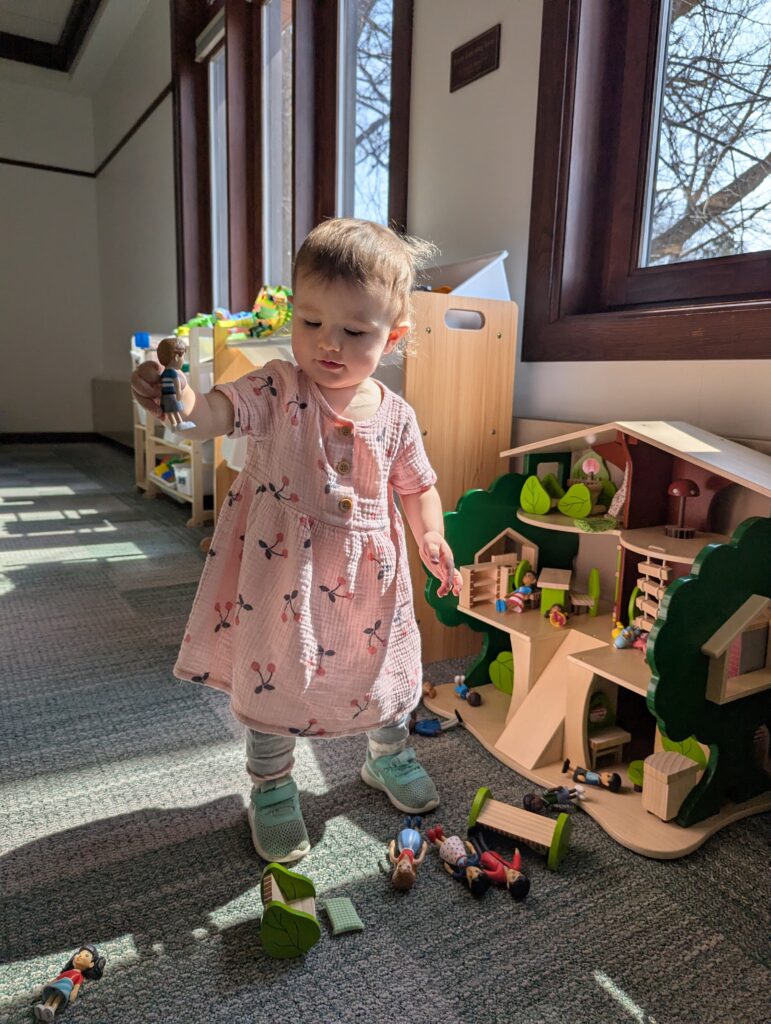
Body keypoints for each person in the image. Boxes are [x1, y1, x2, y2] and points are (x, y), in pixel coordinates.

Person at [131, 218, 462, 864]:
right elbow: (213, 415)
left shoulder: (398, 416)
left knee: (384, 670)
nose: (328, 343)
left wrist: (431, 535)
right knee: (275, 678)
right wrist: (180, 399)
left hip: (370, 588)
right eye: (311, 322)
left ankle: (387, 755)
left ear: (392, 338)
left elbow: (418, 485)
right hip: (282, 578)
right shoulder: (278, 387)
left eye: (354, 332)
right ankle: (273, 785)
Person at [34, 944, 105, 1021]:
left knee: (58, 998)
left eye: (86, 956)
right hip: (57, 985)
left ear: (91, 964)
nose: (80, 956)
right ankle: (44, 1007)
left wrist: (74, 993)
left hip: (65, 988)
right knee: (52, 995)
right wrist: (47, 985)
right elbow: (57, 979)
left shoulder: (79, 975)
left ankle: (52, 1009)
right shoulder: (67, 972)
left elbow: (76, 986)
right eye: (79, 954)